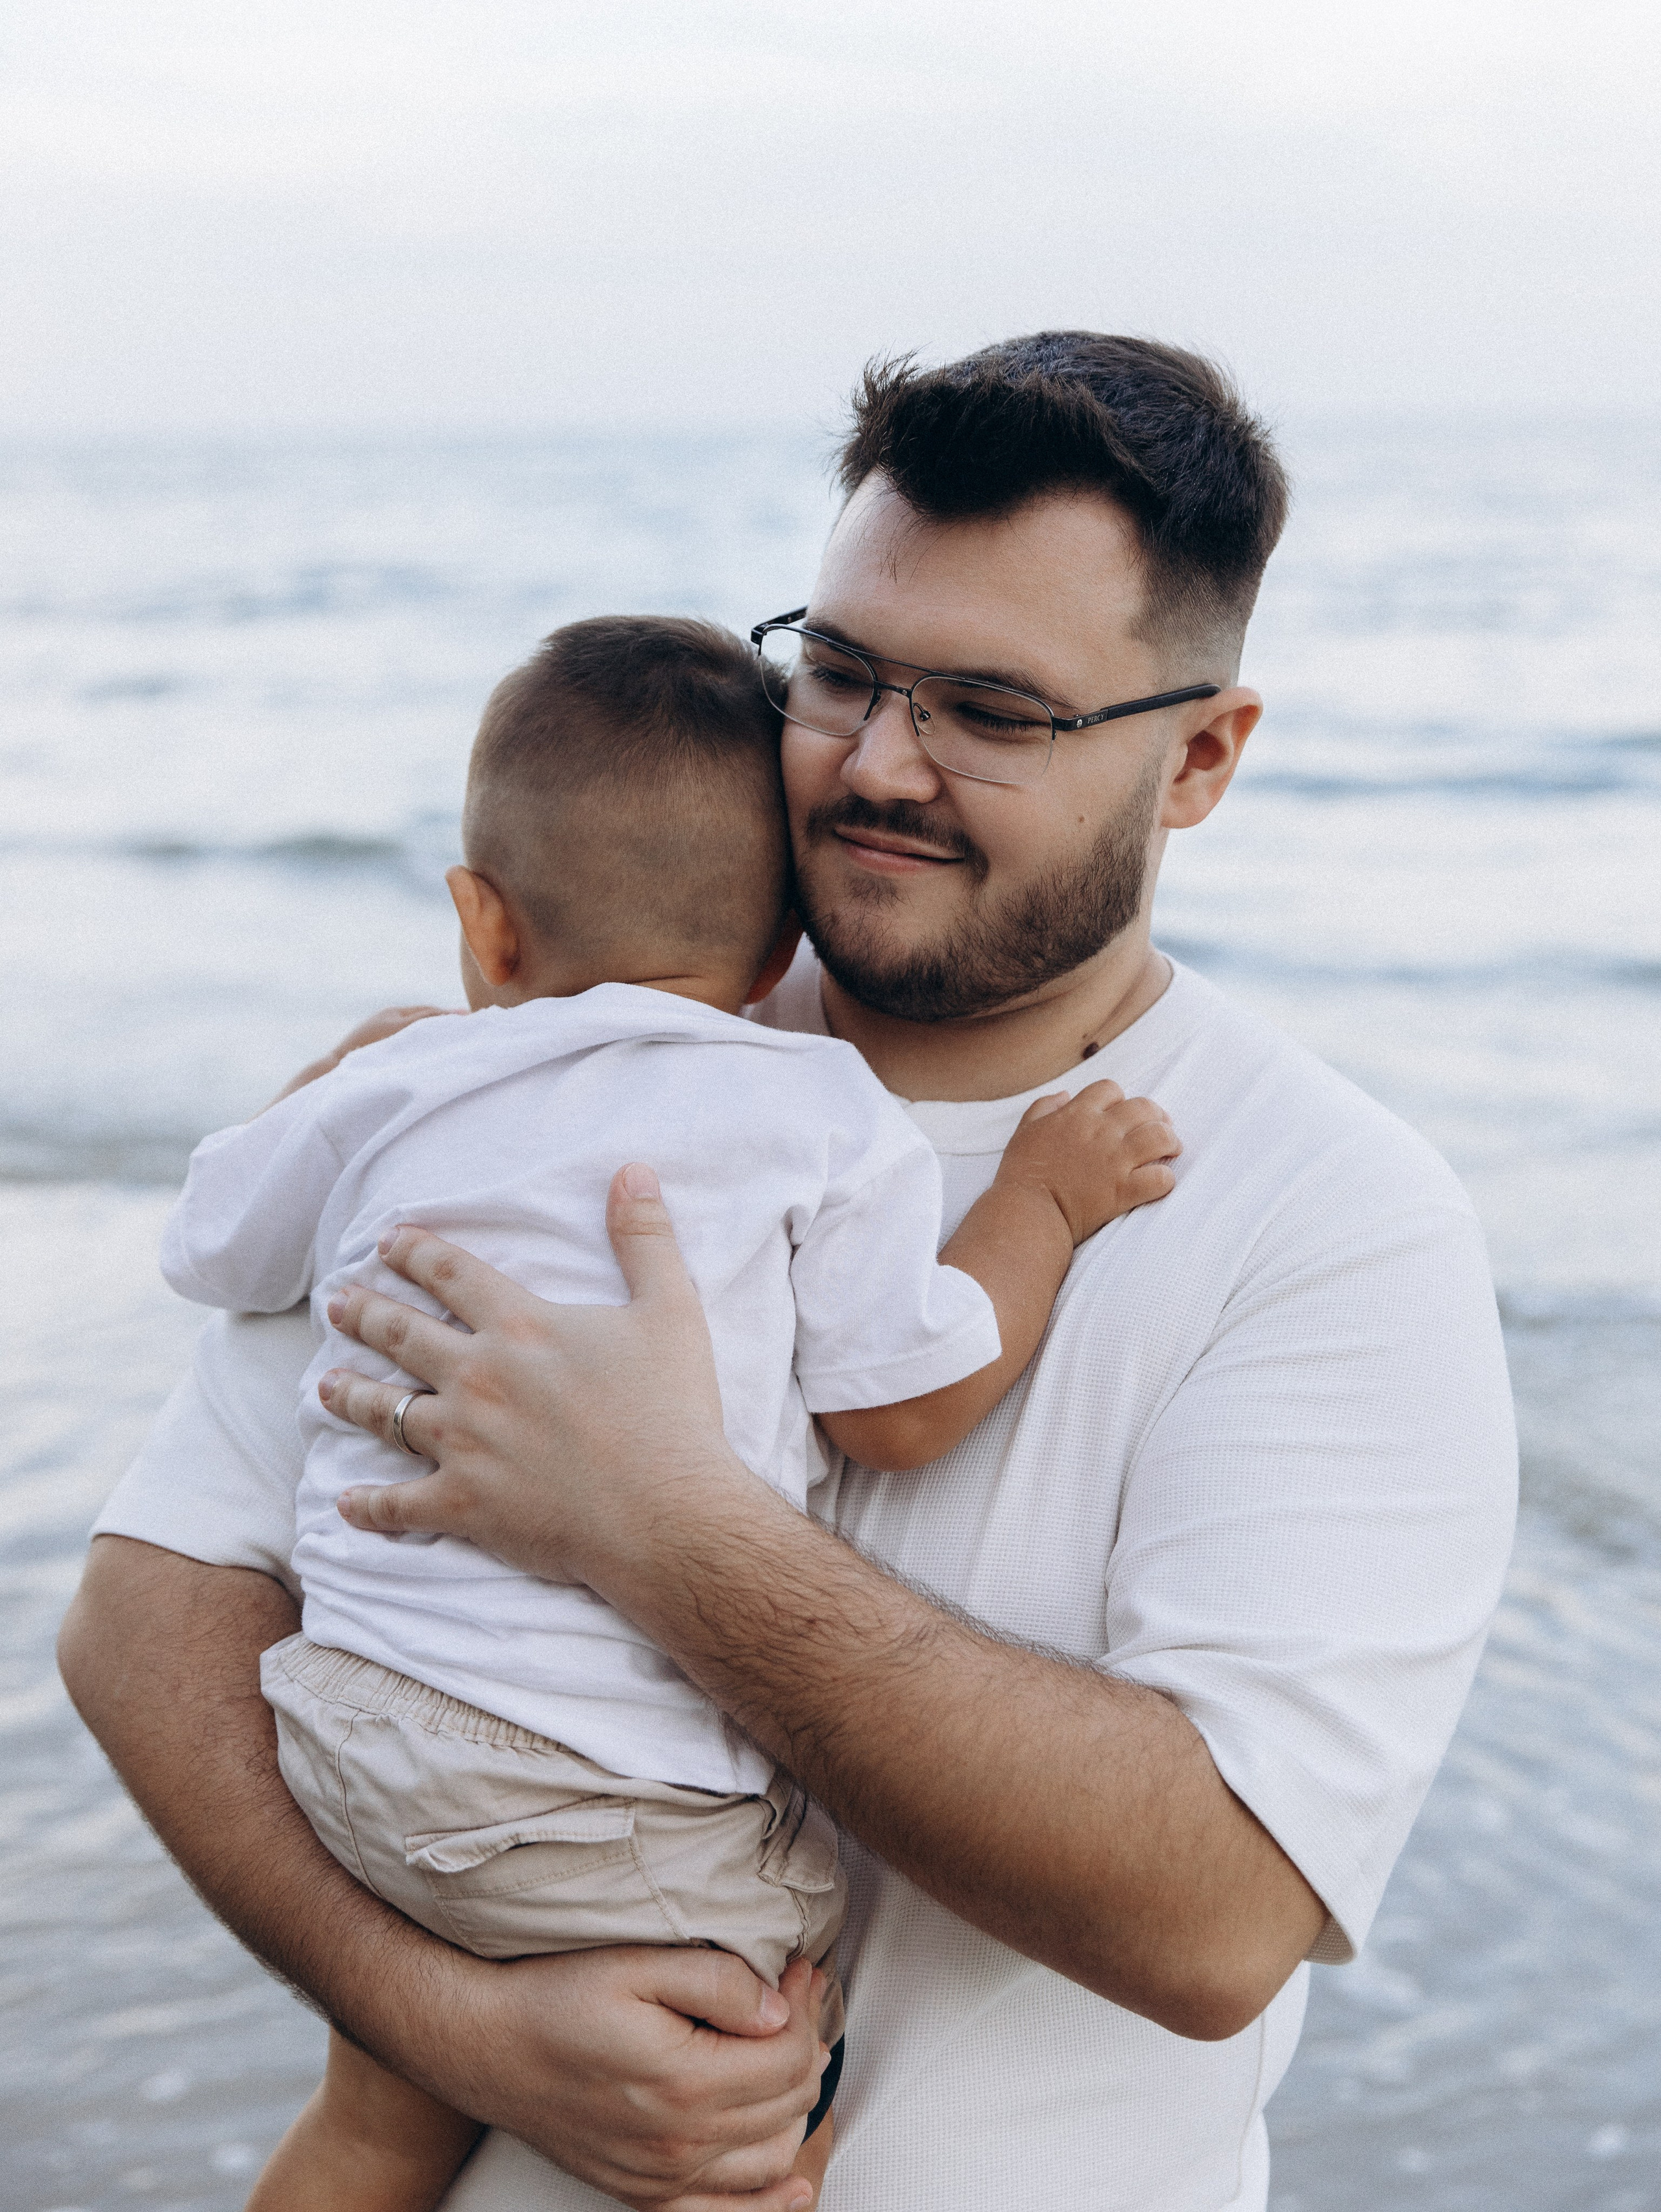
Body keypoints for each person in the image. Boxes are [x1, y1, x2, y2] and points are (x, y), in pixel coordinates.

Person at [59, 332, 1518, 2212]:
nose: (879, 763)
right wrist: (446, 2027)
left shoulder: (1335, 1221)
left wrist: (667, 1533)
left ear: (1203, 757)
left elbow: (1217, 1908)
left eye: (992, 708)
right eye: (840, 671)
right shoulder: (542, 1071)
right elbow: (145, 1614)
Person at [158, 611, 1177, 2212]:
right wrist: (1041, 1205)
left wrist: (340, 1080)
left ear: (483, 924)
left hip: (344, 1726)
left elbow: (211, 1245)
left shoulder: (414, 1076)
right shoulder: (805, 1102)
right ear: (781, 961)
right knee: (747, 2117)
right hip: (597, 1789)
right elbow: (898, 1404)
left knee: (377, 2119)